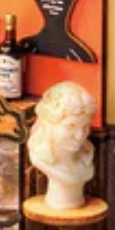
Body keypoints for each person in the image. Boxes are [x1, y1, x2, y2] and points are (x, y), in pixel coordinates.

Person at [28, 82, 99, 210]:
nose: (79, 136)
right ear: (49, 124)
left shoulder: (86, 155)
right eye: (71, 126)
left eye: (85, 127)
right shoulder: (40, 159)